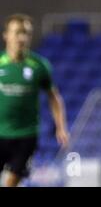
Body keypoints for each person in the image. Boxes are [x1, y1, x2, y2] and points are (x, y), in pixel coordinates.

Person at [0, 13, 70, 187]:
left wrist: (61, 127)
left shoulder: (39, 65)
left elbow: (54, 97)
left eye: (26, 33)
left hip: (26, 134)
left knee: (13, 181)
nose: (21, 37)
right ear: (6, 35)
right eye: (17, 32)